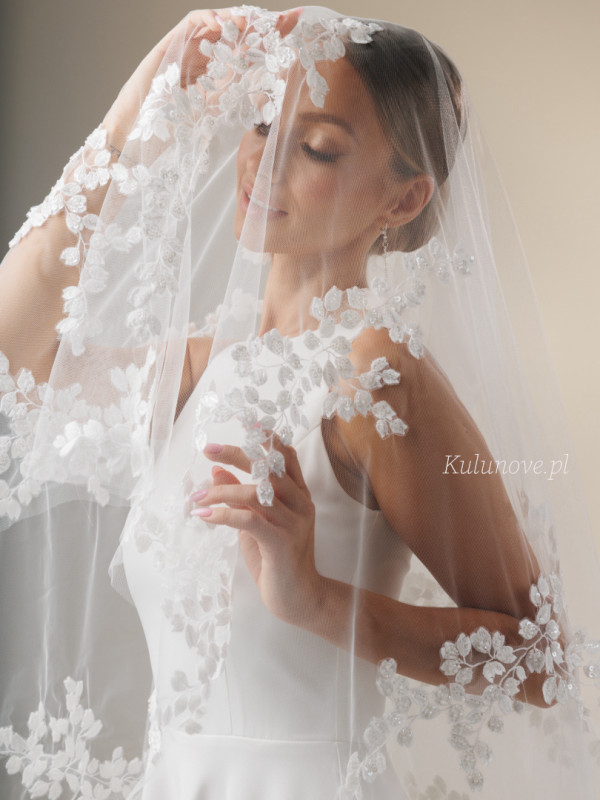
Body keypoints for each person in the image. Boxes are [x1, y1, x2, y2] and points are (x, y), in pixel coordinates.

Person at [0, 6, 599, 799]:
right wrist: (136, 110)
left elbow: (540, 660)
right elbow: (12, 354)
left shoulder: (374, 376)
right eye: (260, 124)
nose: (264, 161)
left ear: (403, 200)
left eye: (315, 146)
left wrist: (316, 600)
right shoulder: (198, 370)